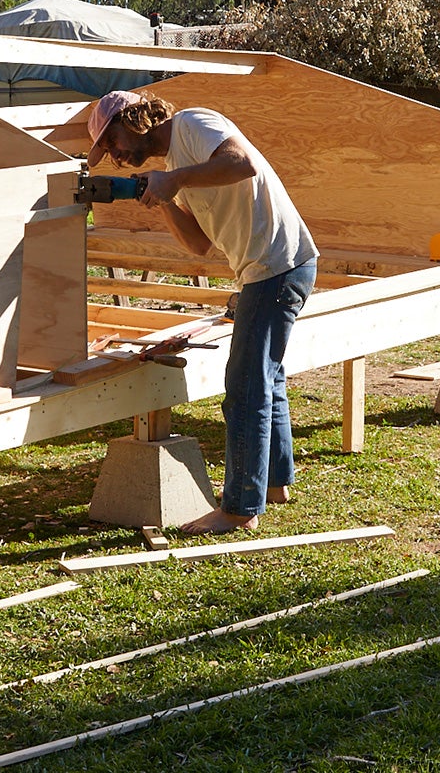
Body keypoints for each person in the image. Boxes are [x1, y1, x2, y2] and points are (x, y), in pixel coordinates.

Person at [85, 90, 319, 535]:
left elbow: (242, 163)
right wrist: (165, 198)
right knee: (267, 376)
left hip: (278, 264)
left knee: (245, 387)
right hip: (265, 269)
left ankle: (239, 509)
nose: (114, 155)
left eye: (112, 141)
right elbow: (198, 245)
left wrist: (177, 181)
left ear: (133, 118)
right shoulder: (175, 169)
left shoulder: (194, 124)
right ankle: (274, 483)